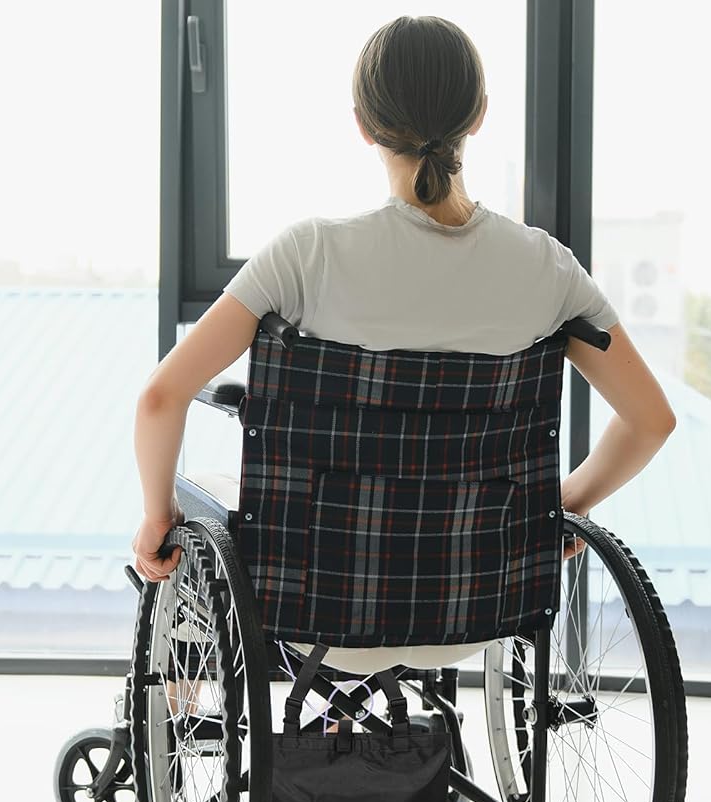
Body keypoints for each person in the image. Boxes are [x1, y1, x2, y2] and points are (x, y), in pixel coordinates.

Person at [132, 15, 675, 670]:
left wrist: (156, 519)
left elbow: (161, 399)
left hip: (318, 613)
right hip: (480, 616)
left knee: (196, 506)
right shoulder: (548, 268)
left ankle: (191, 703)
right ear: (479, 114)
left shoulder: (308, 254)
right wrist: (558, 507)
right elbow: (650, 419)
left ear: (363, 125)